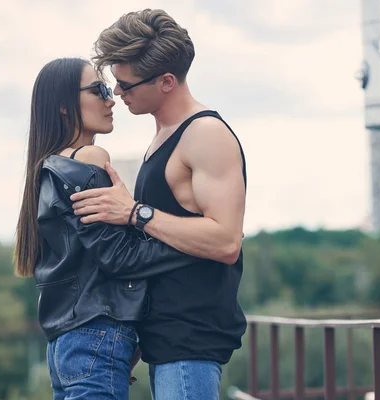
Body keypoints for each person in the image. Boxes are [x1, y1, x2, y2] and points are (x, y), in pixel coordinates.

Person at [70, 9, 248, 400]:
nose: (117, 93)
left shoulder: (205, 134)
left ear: (167, 81)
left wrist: (134, 212)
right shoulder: (162, 137)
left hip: (190, 343)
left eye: (126, 84)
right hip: (166, 341)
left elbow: (225, 241)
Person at [13, 57, 199, 400]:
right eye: (98, 89)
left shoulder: (50, 168)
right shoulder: (89, 159)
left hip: (65, 345)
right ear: (64, 107)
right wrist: (196, 244)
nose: (111, 98)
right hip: (97, 335)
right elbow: (120, 256)